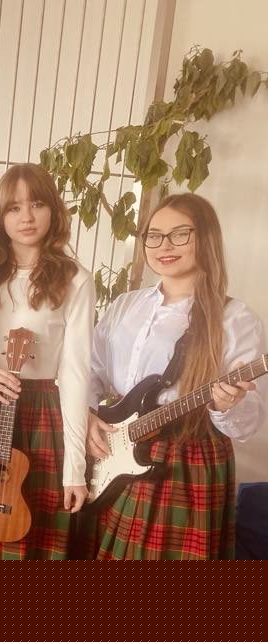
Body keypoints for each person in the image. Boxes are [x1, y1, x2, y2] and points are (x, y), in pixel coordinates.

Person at [84, 193, 267, 559]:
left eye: (180, 234)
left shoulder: (235, 319)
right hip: (113, 451)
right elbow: (92, 369)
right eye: (154, 235)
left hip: (186, 463)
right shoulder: (125, 305)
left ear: (206, 238)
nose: (164, 246)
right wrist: (86, 416)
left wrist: (228, 404)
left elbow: (248, 424)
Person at [0, 163, 94, 559]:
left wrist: (75, 469)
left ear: (53, 210)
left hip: (42, 416)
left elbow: (76, 374)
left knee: (35, 537)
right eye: (14, 208)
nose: (27, 217)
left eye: (37, 204)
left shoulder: (76, 279)